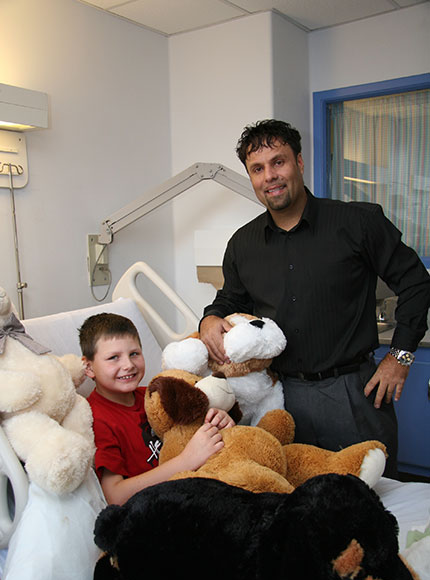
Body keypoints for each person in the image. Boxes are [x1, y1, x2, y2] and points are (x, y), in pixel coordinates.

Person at [200, 119, 430, 479]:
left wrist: (399, 357)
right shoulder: (243, 245)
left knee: (373, 503)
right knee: (296, 503)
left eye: (279, 162)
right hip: (281, 398)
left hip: (353, 394)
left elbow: (416, 281)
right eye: (258, 169)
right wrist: (210, 319)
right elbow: (230, 298)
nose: (270, 176)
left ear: (299, 163)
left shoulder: (357, 223)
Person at [79, 312, 235, 505]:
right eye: (113, 358)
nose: (128, 365)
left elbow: (190, 428)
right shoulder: (96, 418)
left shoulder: (154, 394)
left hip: (196, 486)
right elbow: (115, 496)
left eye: (134, 354)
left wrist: (219, 420)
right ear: (88, 367)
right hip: (156, 507)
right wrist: (186, 461)